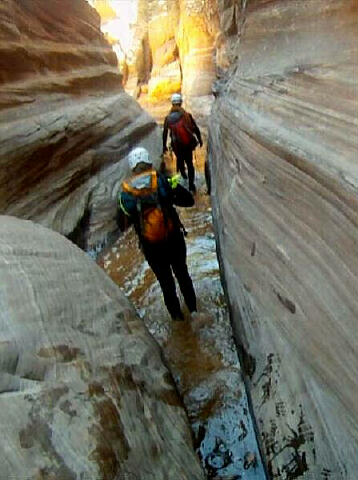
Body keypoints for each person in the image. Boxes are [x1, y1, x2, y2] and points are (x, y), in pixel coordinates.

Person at [117, 147, 197, 321]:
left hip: (151, 247)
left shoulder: (125, 195)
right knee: (182, 275)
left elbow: (122, 224)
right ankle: (195, 313)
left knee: (166, 284)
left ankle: (178, 321)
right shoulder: (163, 180)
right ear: (149, 161)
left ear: (132, 167)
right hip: (173, 238)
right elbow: (189, 201)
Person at [162, 93, 203, 193]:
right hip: (187, 144)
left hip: (177, 145)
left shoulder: (168, 118)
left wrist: (164, 146)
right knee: (190, 163)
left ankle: (182, 178)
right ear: (181, 103)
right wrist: (200, 140)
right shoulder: (187, 115)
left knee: (179, 161)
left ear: (172, 103)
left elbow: (165, 133)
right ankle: (191, 185)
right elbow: (195, 128)